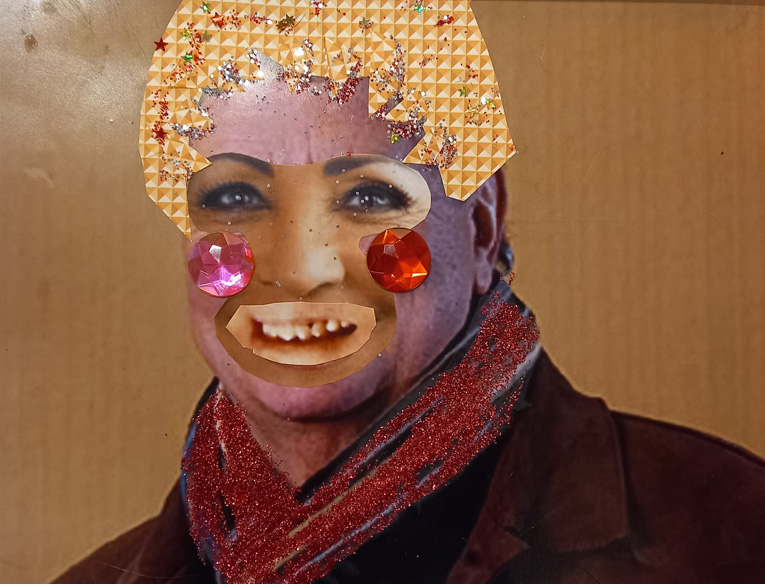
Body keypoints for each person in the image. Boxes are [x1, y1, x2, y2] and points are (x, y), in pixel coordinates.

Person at [53, 1, 765, 583]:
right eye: (235, 198)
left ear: (482, 227)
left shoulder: (731, 537)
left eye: (367, 197)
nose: (300, 269)